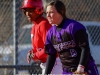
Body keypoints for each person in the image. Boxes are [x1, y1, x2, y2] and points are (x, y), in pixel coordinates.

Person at [44, 0, 99, 75]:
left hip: (85, 68)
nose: (48, 15)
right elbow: (51, 55)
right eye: (46, 13)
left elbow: (85, 47)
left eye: (51, 12)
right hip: (67, 71)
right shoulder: (50, 33)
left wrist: (81, 67)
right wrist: (46, 73)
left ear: (62, 12)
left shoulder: (74, 27)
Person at [20, 0, 62, 74]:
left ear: (38, 10)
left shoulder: (44, 24)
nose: (27, 14)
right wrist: (32, 52)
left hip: (54, 63)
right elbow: (39, 47)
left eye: (30, 10)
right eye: (25, 11)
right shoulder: (35, 26)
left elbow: (50, 48)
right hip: (47, 64)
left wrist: (36, 55)